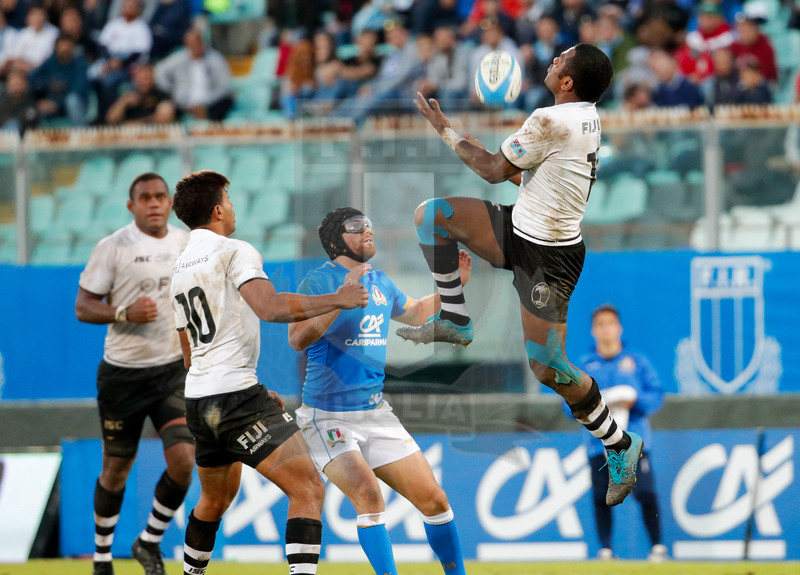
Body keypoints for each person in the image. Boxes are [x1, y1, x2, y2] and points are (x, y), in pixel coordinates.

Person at [404, 43, 643, 506]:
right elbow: (531, 176)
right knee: (431, 216)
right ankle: (456, 318)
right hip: (521, 226)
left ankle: (620, 443)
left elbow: (496, 170)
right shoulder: (584, 117)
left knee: (548, 368)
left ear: (568, 81)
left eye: (561, 59)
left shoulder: (551, 120)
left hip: (549, 259)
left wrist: (447, 131)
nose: (553, 62)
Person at [169, 171, 369, 575]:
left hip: (200, 400)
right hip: (234, 397)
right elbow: (271, 308)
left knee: (214, 501)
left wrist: (250, 385)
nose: (234, 206)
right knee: (308, 487)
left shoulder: (179, 270)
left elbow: (189, 355)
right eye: (230, 198)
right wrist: (338, 299)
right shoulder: (233, 250)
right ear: (218, 209)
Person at [288, 207, 471, 575]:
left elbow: (418, 312)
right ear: (336, 239)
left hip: (375, 413)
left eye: (370, 224)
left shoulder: (381, 281)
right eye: (357, 226)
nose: (368, 230)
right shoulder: (318, 282)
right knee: (370, 497)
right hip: (327, 417)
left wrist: (453, 286)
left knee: (435, 500)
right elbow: (297, 338)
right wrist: (339, 300)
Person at [75, 173, 195, 575]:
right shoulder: (113, 247)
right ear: (132, 206)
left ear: (171, 203)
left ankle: (149, 541)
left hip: (170, 373)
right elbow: (83, 306)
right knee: (116, 468)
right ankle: (102, 556)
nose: (155, 203)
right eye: (145, 198)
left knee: (183, 460)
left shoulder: (186, 243)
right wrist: (124, 312)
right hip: (123, 376)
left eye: (161, 196)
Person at [573, 304, 667, 562]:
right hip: (598, 445)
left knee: (645, 492)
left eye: (610, 323)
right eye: (600, 324)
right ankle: (605, 549)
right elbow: (568, 404)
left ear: (619, 328)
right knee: (601, 496)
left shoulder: (637, 361)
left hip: (635, 441)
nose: (606, 329)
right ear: (593, 330)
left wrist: (634, 401)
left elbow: (656, 396)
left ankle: (658, 547)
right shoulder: (584, 365)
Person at [154, 30, 234, 122]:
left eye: (197, 42)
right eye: (191, 43)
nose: (194, 46)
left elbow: (224, 86)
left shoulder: (215, 59)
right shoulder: (178, 59)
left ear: (203, 43)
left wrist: (204, 104)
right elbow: (159, 71)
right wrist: (170, 92)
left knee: (226, 101)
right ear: (186, 45)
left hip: (210, 103)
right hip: (183, 103)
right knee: (165, 108)